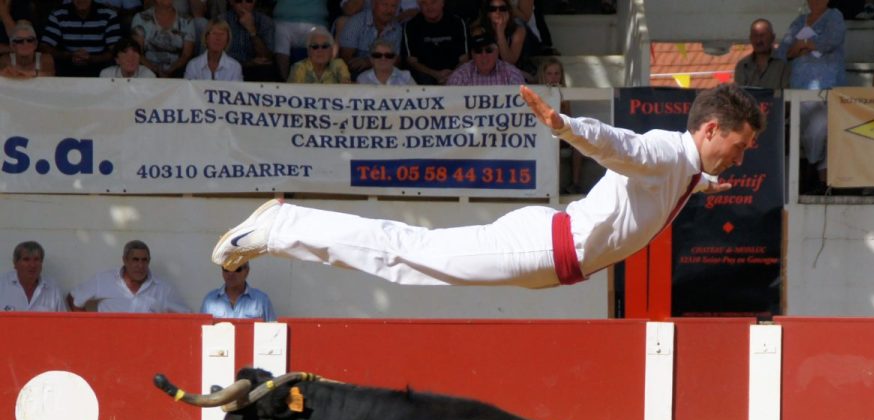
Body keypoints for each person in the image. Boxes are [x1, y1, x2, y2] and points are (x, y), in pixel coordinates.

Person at [211, 83, 762, 291]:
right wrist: (566, 127)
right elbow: (621, 146)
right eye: (739, 145)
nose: (739, 159)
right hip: (543, 249)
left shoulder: (687, 167)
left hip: (550, 253)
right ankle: (281, 226)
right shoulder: (665, 153)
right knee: (408, 254)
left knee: (410, 258)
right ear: (712, 128)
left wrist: (704, 185)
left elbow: (678, 177)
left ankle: (284, 227)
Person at [780, 0, 846, 190]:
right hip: (800, 88)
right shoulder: (799, 21)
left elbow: (831, 41)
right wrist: (808, 45)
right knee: (806, 131)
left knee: (821, 127)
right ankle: (820, 179)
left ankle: (813, 165)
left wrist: (803, 44)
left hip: (827, 86)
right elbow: (784, 51)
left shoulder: (834, 16)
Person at [68, 240, 190, 313]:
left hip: (147, 346)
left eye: (144, 260)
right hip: (109, 344)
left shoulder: (163, 289)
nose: (140, 265)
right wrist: (90, 327)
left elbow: (186, 318)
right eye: (135, 260)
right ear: (125, 260)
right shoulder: (104, 280)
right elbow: (73, 298)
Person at [537, 55, 585, 194]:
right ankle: (553, 187)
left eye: (557, 73)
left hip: (561, 132)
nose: (553, 77)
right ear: (543, 75)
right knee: (552, 146)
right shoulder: (538, 92)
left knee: (579, 143)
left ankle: (575, 184)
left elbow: (569, 118)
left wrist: (563, 105)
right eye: (549, 74)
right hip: (543, 134)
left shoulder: (564, 92)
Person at [40, 0, 121, 77]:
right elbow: (45, 47)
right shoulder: (58, 14)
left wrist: (92, 59)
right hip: (66, 67)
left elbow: (116, 50)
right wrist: (69, 55)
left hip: (100, 68)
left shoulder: (109, 14)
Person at [404, 0, 468, 85]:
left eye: (433, 2)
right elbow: (412, 61)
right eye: (424, 3)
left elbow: (464, 58)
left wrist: (451, 75)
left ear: (442, 3)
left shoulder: (457, 22)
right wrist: (436, 74)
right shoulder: (411, 26)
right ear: (419, 6)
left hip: (456, 74)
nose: (429, 7)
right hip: (425, 78)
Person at [338, 0, 404, 77]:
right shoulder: (356, 22)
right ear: (373, 4)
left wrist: (369, 62)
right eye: (384, 4)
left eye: (393, 6)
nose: (389, 10)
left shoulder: (397, 28)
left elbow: (397, 61)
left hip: (384, 75)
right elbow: (346, 59)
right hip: (356, 75)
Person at [132, 0, 195, 77]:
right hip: (147, 72)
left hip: (177, 72)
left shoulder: (187, 20)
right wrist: (155, 70)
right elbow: (137, 52)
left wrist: (171, 70)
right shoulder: (140, 18)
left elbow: (186, 55)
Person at [270, 0, 329, 80]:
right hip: (284, 21)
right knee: (280, 35)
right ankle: (284, 82)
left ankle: (319, 82)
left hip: (316, 21)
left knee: (321, 42)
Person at [2, 241, 67, 312]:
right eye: (26, 259)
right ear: (15, 263)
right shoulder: (2, 285)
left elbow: (62, 318)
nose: (32, 265)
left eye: (36, 259)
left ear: (41, 263)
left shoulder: (53, 289)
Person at [200, 262, 276, 320]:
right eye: (226, 268)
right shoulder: (209, 301)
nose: (231, 273)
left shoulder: (262, 301)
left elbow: (272, 333)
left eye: (237, 269)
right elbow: (201, 333)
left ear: (247, 271)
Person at [223, 0, 277, 81]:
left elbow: (266, 57)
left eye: (248, 0)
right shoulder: (222, 20)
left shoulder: (265, 21)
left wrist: (252, 30)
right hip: (229, 68)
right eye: (239, 1)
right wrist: (248, 63)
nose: (244, 5)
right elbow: (217, 57)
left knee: (267, 71)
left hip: (256, 69)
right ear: (231, 2)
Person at [445, 28, 523, 84]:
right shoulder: (460, 76)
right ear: (472, 54)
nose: (484, 55)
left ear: (497, 52)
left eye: (489, 50)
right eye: (478, 51)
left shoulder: (512, 75)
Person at [481, 0, 533, 80]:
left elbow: (509, 62)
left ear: (508, 12)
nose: (498, 12)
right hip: (488, 74)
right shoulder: (480, 31)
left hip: (514, 72)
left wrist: (500, 32)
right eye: (493, 9)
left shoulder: (518, 30)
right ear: (488, 14)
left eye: (502, 9)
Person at [734, 18, 788, 90]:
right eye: (755, 36)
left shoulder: (784, 63)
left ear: (772, 37)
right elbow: (739, 94)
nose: (758, 40)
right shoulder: (742, 65)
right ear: (750, 38)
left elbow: (787, 94)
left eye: (762, 35)